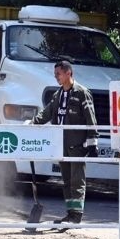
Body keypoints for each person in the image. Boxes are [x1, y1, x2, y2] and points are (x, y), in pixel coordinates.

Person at [30, 60, 100, 225]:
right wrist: (31, 124)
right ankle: (70, 214)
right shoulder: (58, 95)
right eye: (55, 75)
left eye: (58, 74)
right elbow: (46, 114)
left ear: (68, 73)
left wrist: (93, 141)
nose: (56, 78)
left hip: (77, 146)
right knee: (67, 181)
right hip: (60, 145)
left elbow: (91, 117)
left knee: (77, 181)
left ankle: (76, 216)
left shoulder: (82, 93)